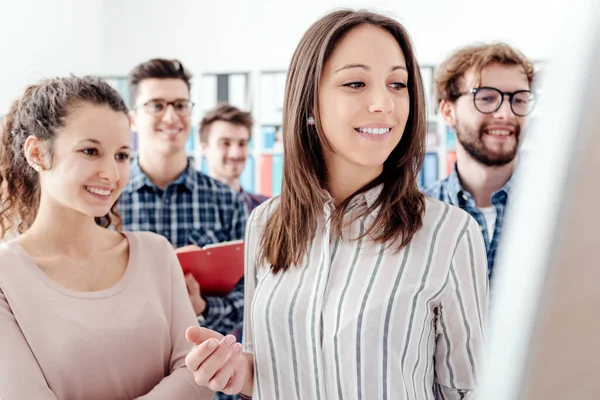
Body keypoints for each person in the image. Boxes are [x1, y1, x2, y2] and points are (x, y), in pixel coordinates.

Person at [183, 9, 489, 399]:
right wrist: (236, 370)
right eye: (357, 83)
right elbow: (269, 369)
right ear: (310, 103)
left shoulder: (449, 233)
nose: (384, 103)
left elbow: (469, 391)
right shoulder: (264, 223)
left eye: (398, 84)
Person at [0, 76, 213, 399]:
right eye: (90, 151)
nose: (112, 175)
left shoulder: (156, 253)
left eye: (122, 155)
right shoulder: (6, 275)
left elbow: (195, 374)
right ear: (37, 153)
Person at [118, 59, 248, 335]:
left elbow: (252, 294)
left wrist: (204, 308)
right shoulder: (109, 199)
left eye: (180, 105)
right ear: (133, 120)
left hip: (203, 363)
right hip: (125, 353)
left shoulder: (228, 202)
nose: (171, 117)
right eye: (156, 105)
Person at [423, 43, 537, 281]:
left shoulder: (553, 209)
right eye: (486, 98)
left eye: (519, 100)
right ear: (447, 112)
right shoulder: (415, 216)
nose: (506, 114)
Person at [199, 103, 269, 213]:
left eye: (242, 144)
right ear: (204, 148)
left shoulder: (267, 210)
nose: (235, 154)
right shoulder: (190, 209)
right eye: (225, 143)